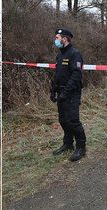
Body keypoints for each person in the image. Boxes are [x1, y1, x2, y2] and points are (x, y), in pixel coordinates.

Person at [50, 28, 87, 161]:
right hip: (61, 92)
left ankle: (81, 147)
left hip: (72, 93)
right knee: (63, 119)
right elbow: (58, 74)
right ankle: (68, 144)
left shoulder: (74, 54)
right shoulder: (60, 55)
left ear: (65, 38)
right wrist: (53, 90)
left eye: (57, 37)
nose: (56, 40)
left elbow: (76, 76)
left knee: (72, 120)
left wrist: (65, 93)